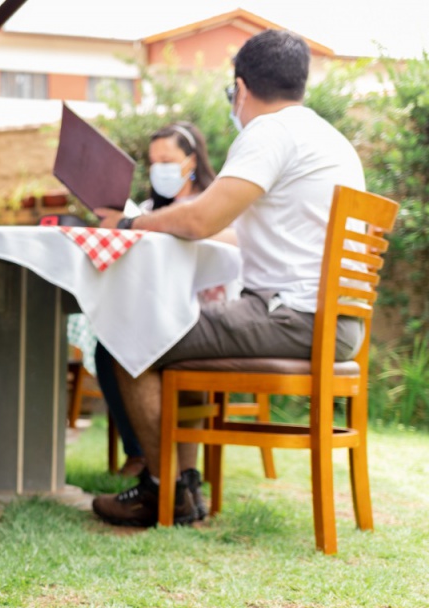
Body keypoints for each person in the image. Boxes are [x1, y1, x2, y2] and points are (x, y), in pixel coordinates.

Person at [90, 29, 366, 527]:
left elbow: (200, 220)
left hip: (290, 316)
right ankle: (184, 486)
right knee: (179, 329)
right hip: (332, 320)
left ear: (239, 88)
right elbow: (230, 228)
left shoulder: (269, 132)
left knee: (124, 339)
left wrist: (130, 223)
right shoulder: (329, 138)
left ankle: (163, 490)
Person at [95, 121, 217, 479]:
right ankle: (143, 454)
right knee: (108, 346)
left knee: (139, 347)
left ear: (191, 160)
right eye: (153, 161)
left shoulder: (209, 205)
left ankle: (170, 475)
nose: (159, 168)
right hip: (153, 303)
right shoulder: (146, 209)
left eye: (168, 159)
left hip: (201, 308)